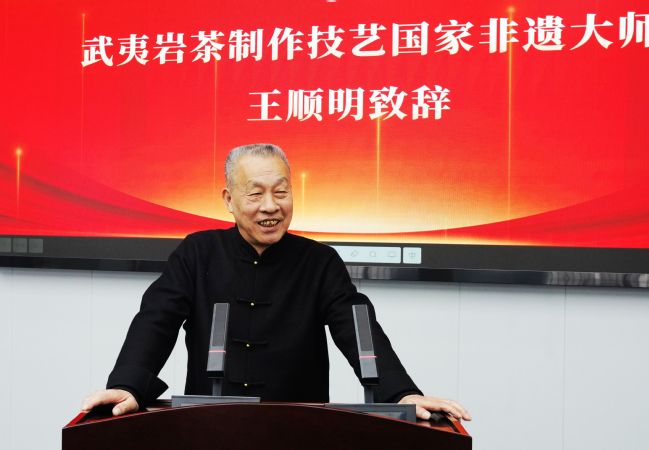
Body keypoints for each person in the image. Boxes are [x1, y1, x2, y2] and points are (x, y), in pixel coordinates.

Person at [82, 143, 471, 422]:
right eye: (255, 194)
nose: (271, 206)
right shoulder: (198, 252)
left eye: (281, 192)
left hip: (297, 428)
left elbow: (357, 329)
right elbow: (156, 320)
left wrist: (402, 394)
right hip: (210, 426)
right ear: (229, 200)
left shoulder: (319, 261)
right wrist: (128, 385)